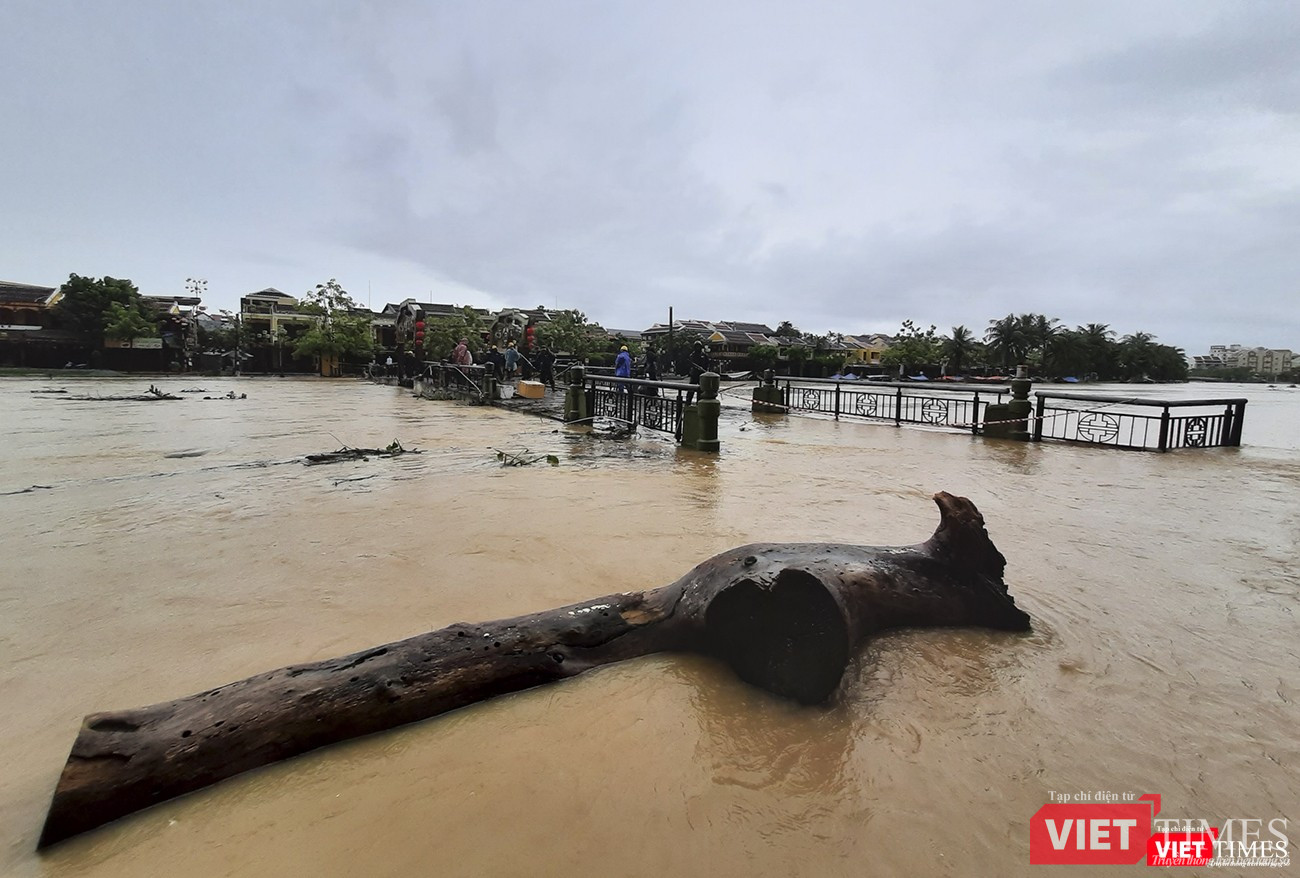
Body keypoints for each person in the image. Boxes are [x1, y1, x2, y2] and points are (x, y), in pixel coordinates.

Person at [685, 340, 710, 404]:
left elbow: (707, 363)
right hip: (694, 374)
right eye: (696, 347)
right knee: (691, 389)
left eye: (699, 346)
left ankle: (699, 402)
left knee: (700, 389)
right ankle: (688, 401)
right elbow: (690, 364)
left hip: (702, 374)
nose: (698, 348)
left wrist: (705, 369)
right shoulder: (692, 355)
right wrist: (696, 368)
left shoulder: (704, 355)